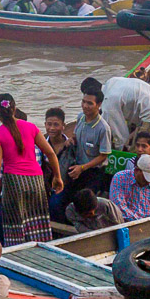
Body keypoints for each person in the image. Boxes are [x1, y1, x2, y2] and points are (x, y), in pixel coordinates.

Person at [0, 93, 63, 246]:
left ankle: (18, 257)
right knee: (37, 224)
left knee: (15, 226)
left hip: (13, 184)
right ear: (14, 109)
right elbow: (50, 153)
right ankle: (42, 254)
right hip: (36, 182)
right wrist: (58, 176)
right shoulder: (31, 127)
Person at [48, 92, 112, 224]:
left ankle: (86, 228)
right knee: (62, 199)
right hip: (76, 169)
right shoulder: (81, 117)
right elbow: (77, 135)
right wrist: (71, 140)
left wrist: (82, 168)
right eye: (83, 102)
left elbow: (103, 156)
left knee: (84, 203)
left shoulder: (103, 128)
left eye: (89, 103)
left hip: (92, 171)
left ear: (98, 105)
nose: (85, 106)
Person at [83, 74, 150, 151]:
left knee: (139, 149)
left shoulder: (109, 102)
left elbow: (121, 136)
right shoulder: (112, 81)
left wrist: (120, 150)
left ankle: (139, 170)